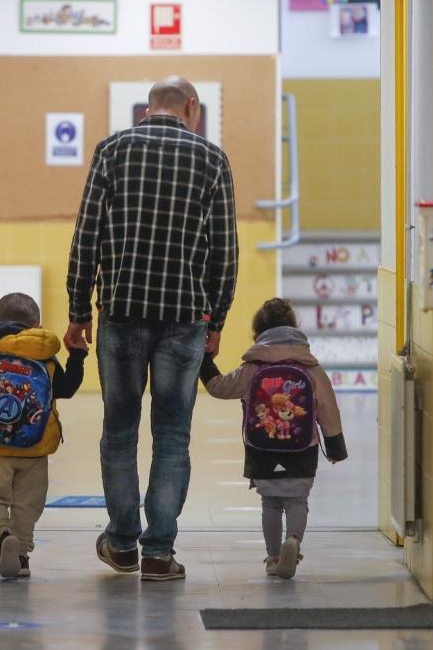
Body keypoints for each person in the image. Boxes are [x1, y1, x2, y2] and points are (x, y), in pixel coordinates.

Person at [65, 76, 239, 581]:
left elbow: (87, 236)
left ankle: (122, 543)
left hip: (119, 315)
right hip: (185, 321)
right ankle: (159, 553)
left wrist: (78, 311)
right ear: (190, 107)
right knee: (171, 436)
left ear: (148, 107)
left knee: (118, 432)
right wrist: (218, 320)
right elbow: (225, 252)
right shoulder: (212, 159)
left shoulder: (112, 150)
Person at [198, 298, 347, 579]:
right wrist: (336, 446)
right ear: (294, 329)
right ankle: (293, 539)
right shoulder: (311, 368)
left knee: (271, 503)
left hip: (262, 449)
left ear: (258, 333)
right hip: (303, 449)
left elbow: (219, 388)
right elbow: (328, 408)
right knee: (297, 501)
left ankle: (274, 557)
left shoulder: (254, 368)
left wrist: (203, 359)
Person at [0, 293, 86, 578]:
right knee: (28, 504)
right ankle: (21, 555)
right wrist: (77, 356)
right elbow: (67, 388)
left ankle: (3, 535)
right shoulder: (45, 359)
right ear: (36, 324)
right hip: (34, 448)